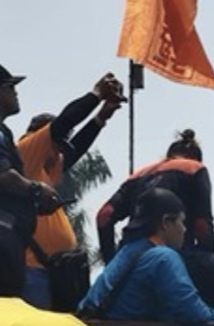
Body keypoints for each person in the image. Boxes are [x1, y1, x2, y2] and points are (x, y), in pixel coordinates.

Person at [18, 73, 124, 309]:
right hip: (32, 271)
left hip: (54, 272)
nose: (61, 153)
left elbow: (74, 150)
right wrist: (96, 95)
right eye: (58, 145)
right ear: (42, 137)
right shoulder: (26, 153)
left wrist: (101, 118)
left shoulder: (45, 166)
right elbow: (63, 124)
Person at [96, 130, 214, 310]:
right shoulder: (194, 168)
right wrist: (207, 264)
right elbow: (202, 227)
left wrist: (112, 263)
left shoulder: (139, 175)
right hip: (172, 260)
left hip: (130, 260)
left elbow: (104, 216)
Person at [78, 187, 214, 323]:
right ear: (166, 223)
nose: (185, 229)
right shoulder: (163, 258)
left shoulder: (127, 252)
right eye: (182, 221)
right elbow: (195, 315)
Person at [0, 64, 61, 297]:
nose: (16, 92)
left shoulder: (4, 132)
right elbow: (3, 176)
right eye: (10, 86)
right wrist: (36, 190)